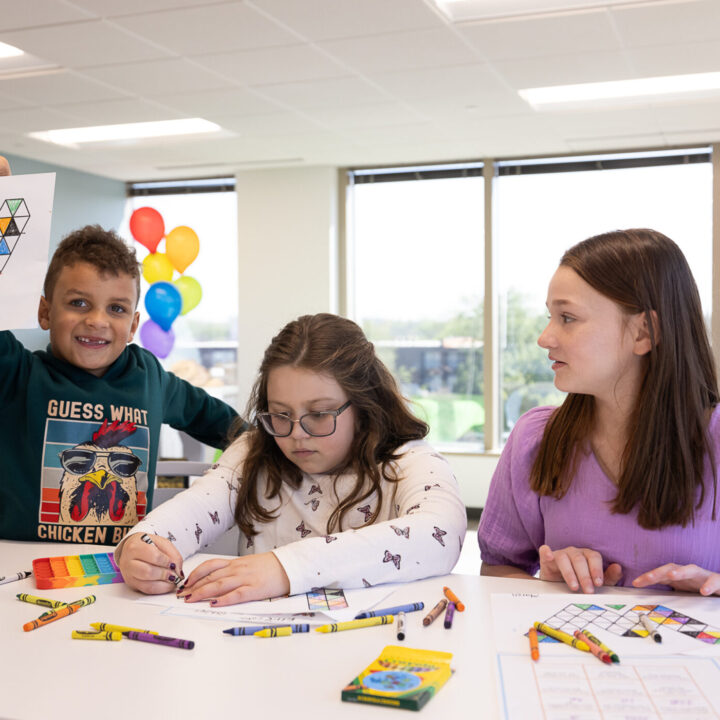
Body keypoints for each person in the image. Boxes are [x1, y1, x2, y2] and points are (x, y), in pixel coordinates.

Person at [116, 313, 467, 605]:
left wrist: (283, 568)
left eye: (319, 414)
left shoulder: (409, 461)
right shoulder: (255, 450)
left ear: (363, 405)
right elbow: (195, 507)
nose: (297, 433)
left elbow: (441, 534)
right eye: (280, 414)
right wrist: (143, 542)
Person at [0, 156, 238, 545]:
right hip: (18, 566)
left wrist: (277, 451)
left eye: (116, 308)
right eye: (78, 303)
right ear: (45, 312)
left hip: (121, 572)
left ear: (133, 326)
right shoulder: (16, 373)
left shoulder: (150, 378)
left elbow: (223, 424)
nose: (96, 320)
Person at [478, 228, 720, 596]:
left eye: (568, 318)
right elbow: (497, 569)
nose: (545, 338)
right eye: (550, 316)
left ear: (644, 332)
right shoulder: (534, 439)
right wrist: (548, 582)